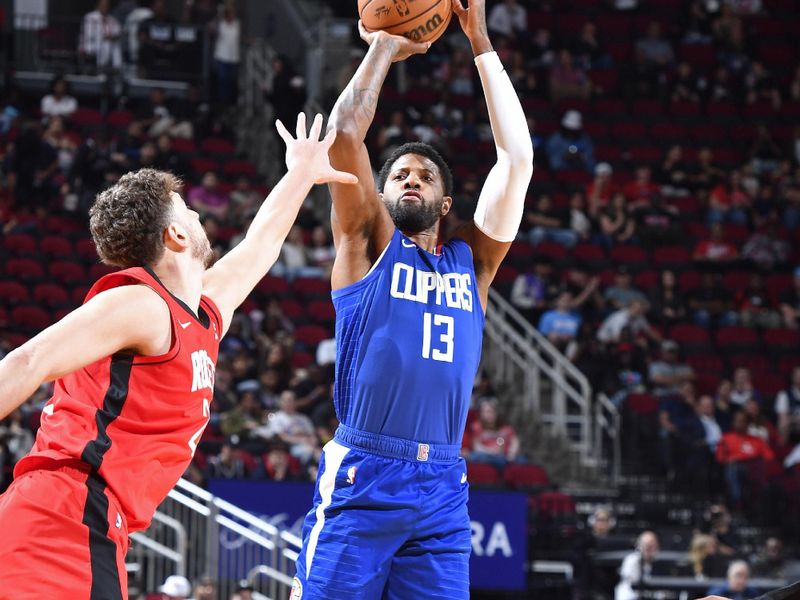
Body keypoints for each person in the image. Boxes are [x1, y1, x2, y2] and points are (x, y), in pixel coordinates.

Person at [0, 113, 357, 598]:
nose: (197, 215)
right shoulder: (141, 304)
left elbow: (260, 244)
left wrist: (300, 173)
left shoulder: (201, 315)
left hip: (97, 524)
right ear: (176, 236)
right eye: (187, 210)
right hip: (60, 515)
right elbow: (26, 363)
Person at [292, 1, 533, 597]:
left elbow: (517, 159)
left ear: (446, 205)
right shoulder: (367, 241)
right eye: (398, 173)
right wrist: (383, 46)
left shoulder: (472, 263)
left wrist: (478, 39)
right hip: (364, 473)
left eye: (423, 175)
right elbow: (346, 132)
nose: (408, 179)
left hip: (442, 484)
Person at [615, 531, 660, 600]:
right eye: (646, 546)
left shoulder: (662, 560)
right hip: (632, 595)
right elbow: (631, 583)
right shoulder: (632, 560)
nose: (648, 549)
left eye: (651, 546)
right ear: (639, 546)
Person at [775, 366, 800, 444]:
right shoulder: (784, 394)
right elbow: (782, 417)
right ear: (792, 377)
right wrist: (796, 419)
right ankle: (783, 450)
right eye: (797, 375)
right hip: (792, 425)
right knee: (782, 423)